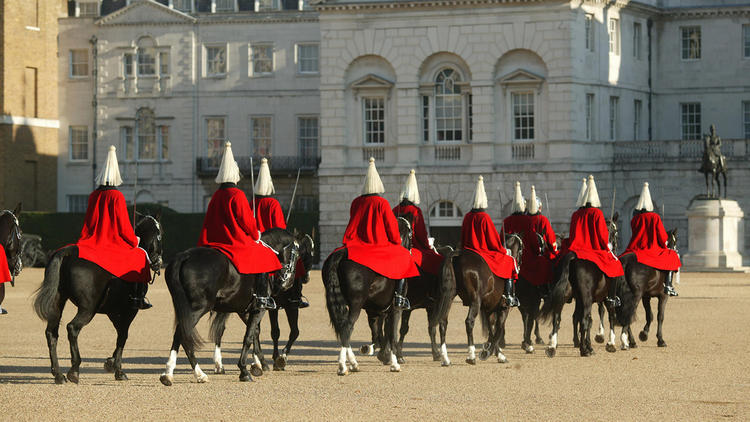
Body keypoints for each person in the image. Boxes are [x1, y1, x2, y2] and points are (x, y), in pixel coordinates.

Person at [198, 143, 281, 309]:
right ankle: (262, 297)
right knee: (267, 256)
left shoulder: (216, 195)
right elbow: (247, 221)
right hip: (233, 242)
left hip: (213, 241)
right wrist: (256, 234)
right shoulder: (237, 194)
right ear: (234, 173)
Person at [75, 146, 152, 309]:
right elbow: (124, 227)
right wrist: (134, 240)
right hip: (111, 243)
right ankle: (138, 298)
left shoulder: (93, 195)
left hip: (90, 241)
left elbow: (88, 223)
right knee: (140, 257)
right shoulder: (116, 196)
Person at [340, 158, 420, 310]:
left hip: (354, 244)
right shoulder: (382, 203)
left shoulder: (356, 202)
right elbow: (392, 230)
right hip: (377, 244)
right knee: (404, 258)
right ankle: (399, 297)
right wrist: (396, 241)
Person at [252, 157, 309, 308]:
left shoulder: (251, 202)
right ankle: (295, 297)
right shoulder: (273, 203)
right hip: (272, 246)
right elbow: (280, 229)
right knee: (297, 262)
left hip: (255, 242)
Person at [565, 175, 624, 307]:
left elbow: (572, 234)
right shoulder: (597, 213)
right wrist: (607, 246)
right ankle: (611, 298)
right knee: (616, 265)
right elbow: (603, 236)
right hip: (593, 250)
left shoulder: (576, 214)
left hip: (576, 249)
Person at [461, 176, 519, 307]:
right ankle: (509, 296)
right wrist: (503, 250)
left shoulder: (467, 216)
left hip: (468, 251)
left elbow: (463, 237)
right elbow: (493, 241)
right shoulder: (484, 217)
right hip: (483, 253)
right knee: (510, 261)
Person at [621, 182, 681, 296]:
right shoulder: (654, 217)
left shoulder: (635, 219)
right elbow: (662, 236)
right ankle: (668, 285)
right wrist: (664, 242)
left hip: (635, 248)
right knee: (672, 255)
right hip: (651, 248)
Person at [392, 169, 444, 277]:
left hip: (396, 248)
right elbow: (420, 233)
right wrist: (427, 245)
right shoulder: (415, 211)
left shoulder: (395, 209)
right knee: (439, 260)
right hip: (413, 248)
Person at [521, 186, 559, 293]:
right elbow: (551, 240)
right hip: (540, 253)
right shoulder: (543, 219)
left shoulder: (524, 219)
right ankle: (548, 289)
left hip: (524, 253)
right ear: (540, 207)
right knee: (554, 264)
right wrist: (555, 250)